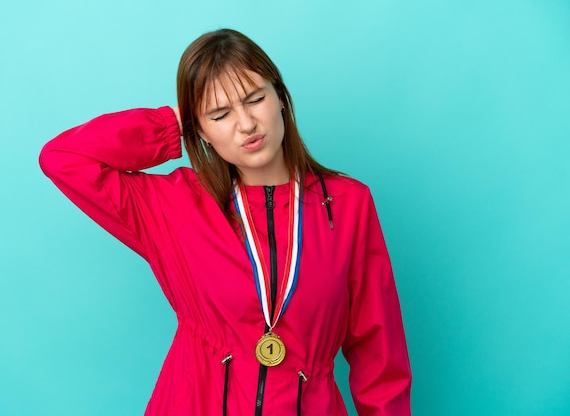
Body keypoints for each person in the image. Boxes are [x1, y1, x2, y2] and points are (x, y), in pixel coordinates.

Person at [39, 28, 411, 416]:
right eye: (220, 113)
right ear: (199, 129)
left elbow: (379, 356)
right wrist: (175, 121)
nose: (246, 124)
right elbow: (62, 158)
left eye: (255, 99)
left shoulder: (348, 204)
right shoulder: (174, 206)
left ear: (281, 98)